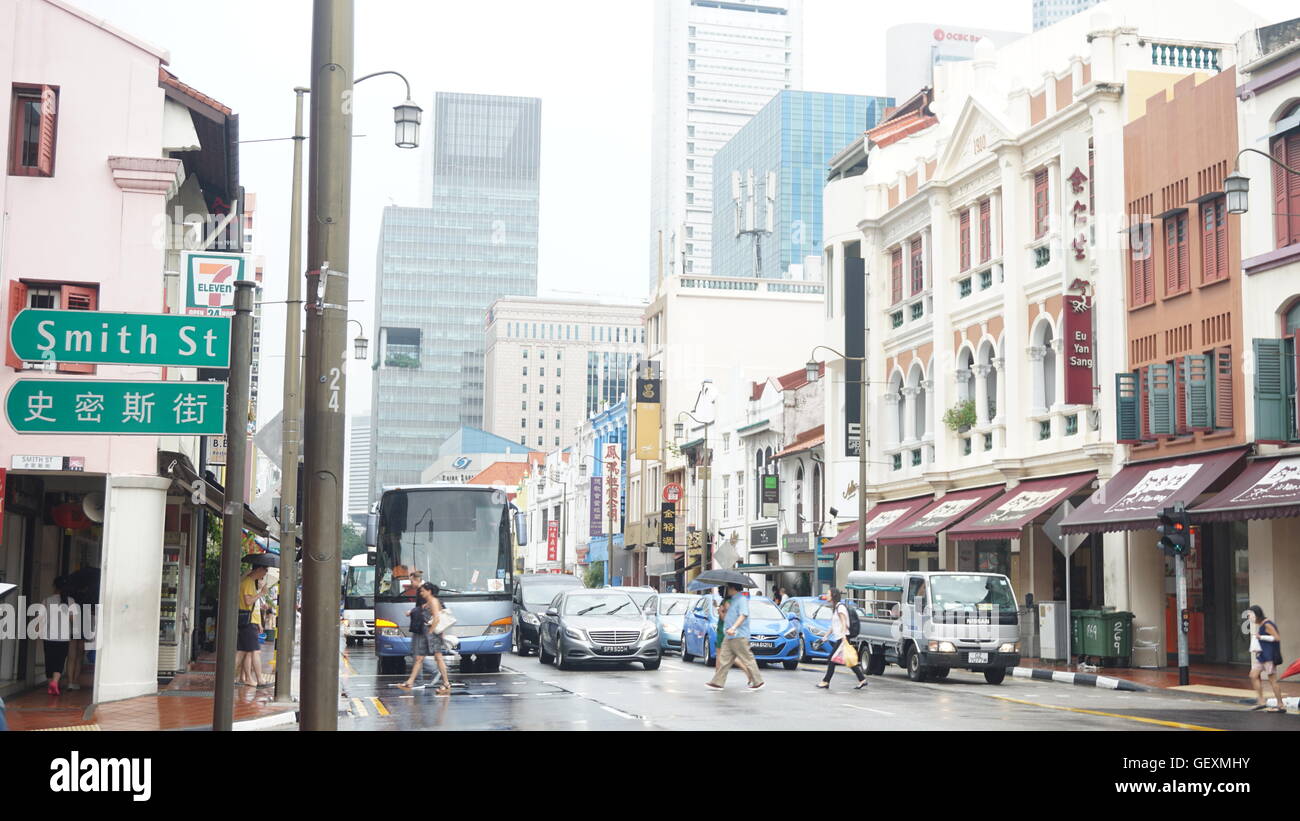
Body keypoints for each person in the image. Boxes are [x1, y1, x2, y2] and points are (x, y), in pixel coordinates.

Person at [706, 584, 763, 691]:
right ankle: (717, 682)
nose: (726, 590)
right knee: (724, 659)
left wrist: (734, 627)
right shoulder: (733, 600)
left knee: (747, 658)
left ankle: (758, 681)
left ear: (733, 588)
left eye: (728, 588)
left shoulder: (741, 599)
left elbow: (743, 614)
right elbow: (728, 616)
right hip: (729, 635)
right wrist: (723, 610)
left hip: (738, 634)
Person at [399, 582, 450, 695]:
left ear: (429, 591)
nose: (421, 593)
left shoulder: (433, 601)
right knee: (419, 658)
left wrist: (430, 632)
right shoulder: (428, 602)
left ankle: (446, 683)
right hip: (428, 633)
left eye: (423, 591)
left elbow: (436, 618)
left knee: (438, 658)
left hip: (432, 634)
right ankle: (410, 682)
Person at [817, 588, 868, 691]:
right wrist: (825, 636)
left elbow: (844, 622)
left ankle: (826, 681)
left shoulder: (840, 607)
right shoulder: (836, 608)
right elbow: (834, 626)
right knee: (849, 661)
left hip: (842, 638)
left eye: (828, 594)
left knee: (832, 659)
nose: (826, 595)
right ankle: (862, 679)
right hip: (841, 638)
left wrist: (844, 637)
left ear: (833, 595)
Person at [43, 576, 78, 696]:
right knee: (59, 661)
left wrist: (37, 629)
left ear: (54, 587)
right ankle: (55, 682)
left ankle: (51, 685)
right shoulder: (71, 601)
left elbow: (40, 618)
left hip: (48, 636)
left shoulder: (47, 600)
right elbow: (74, 620)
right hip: (63, 637)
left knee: (49, 661)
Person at [1247, 605, 1286, 713]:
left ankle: (1280, 705)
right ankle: (1261, 701)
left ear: (1256, 615)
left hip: (1269, 657)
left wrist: (1261, 637)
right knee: (1253, 675)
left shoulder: (1267, 624)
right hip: (1262, 656)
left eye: (1250, 615)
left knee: (1272, 680)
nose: (1249, 618)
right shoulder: (1261, 624)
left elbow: (1277, 638)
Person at [237, 565, 270, 687]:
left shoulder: (249, 582)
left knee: (245, 652)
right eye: (265, 570)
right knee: (253, 651)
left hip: (251, 621)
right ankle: (259, 679)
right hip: (249, 622)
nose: (265, 573)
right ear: (258, 569)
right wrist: (261, 593)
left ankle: (245, 678)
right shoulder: (248, 583)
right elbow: (248, 602)